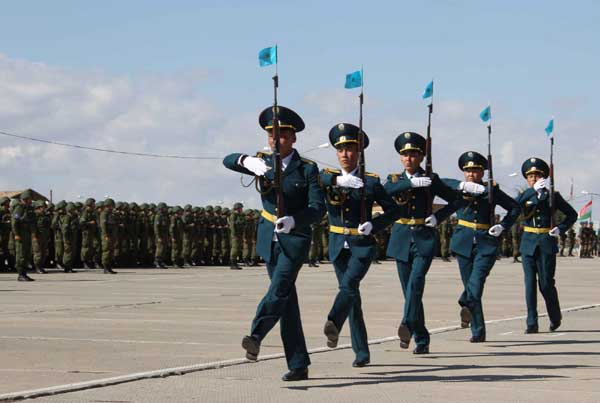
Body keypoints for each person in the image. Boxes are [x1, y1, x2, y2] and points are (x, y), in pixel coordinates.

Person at [222, 105, 325, 381]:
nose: (275, 140)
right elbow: (226, 160)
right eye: (271, 134)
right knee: (287, 302)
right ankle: (299, 363)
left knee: (279, 290)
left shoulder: (307, 170)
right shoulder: (262, 163)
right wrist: (245, 160)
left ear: (293, 138)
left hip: (294, 240)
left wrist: (295, 220)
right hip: (269, 239)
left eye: (281, 135)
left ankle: (255, 335)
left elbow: (318, 208)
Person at [319, 123, 399, 367]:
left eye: (350, 149)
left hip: (361, 244)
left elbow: (394, 210)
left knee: (350, 285)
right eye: (341, 149)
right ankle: (361, 352)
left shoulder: (371, 182)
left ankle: (333, 321)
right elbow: (316, 177)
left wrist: (374, 225)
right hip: (336, 243)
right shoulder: (328, 178)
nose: (345, 154)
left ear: (359, 152)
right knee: (352, 296)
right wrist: (337, 181)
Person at [384, 132, 463, 354]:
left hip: (423, 237)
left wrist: (439, 217)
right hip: (401, 238)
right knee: (408, 291)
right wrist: (408, 183)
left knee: (416, 285)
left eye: (413, 154)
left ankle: (407, 324)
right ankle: (421, 338)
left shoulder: (431, 179)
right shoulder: (394, 180)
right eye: (405, 154)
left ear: (421, 157)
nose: (408, 158)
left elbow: (456, 200)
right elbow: (382, 193)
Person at [438, 151, 520, 342]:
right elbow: (439, 182)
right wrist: (460, 185)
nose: (471, 174)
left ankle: (464, 301)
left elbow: (515, 207)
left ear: (482, 172)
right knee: (471, 286)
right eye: (468, 171)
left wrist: (502, 226)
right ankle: (478, 330)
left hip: (485, 242)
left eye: (475, 171)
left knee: (476, 282)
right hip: (463, 242)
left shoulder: (491, 191)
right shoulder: (458, 189)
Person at [515, 157, 577, 333]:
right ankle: (531, 323)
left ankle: (555, 316)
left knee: (546, 284)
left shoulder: (553, 196)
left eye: (537, 175)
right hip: (528, 243)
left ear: (544, 177)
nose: (534, 179)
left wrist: (560, 228)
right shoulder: (524, 195)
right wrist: (532, 192)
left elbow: (571, 215)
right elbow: (514, 206)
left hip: (545, 243)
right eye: (530, 176)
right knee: (529, 284)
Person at [12, 190, 36, 281]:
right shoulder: (19, 208)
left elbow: (33, 222)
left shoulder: (29, 208)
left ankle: (24, 273)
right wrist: (16, 234)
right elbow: (15, 222)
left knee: (26, 254)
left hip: (27, 234)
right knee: (21, 254)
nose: (31, 200)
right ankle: (20, 274)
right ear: (25, 199)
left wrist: (33, 233)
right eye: (30, 199)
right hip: (21, 234)